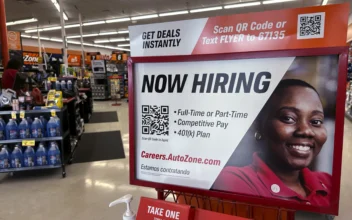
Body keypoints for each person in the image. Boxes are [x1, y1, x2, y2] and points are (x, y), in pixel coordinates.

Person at [212, 79, 332, 207]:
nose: (306, 131)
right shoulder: (234, 179)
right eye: (288, 118)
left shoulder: (328, 182)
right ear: (259, 126)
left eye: (316, 121)